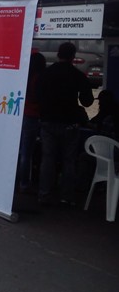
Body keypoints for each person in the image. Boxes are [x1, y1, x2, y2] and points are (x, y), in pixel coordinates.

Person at [38, 42, 94, 205]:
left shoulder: (46, 74)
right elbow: (87, 101)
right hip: (70, 123)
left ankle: (44, 194)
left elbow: (37, 95)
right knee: (69, 160)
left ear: (58, 54)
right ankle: (66, 197)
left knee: (47, 159)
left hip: (48, 121)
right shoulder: (77, 75)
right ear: (73, 56)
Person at [17, 52, 46, 193]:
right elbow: (40, 98)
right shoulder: (39, 79)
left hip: (21, 114)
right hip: (33, 115)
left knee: (21, 151)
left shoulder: (24, 76)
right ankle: (24, 183)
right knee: (27, 152)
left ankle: (19, 181)